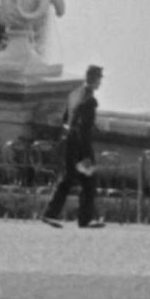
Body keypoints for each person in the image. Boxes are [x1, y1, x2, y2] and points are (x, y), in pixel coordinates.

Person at [42, 65, 104, 229]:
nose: (101, 82)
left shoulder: (74, 94)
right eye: (100, 78)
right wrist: (87, 155)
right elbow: (83, 128)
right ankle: (84, 219)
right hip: (80, 146)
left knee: (68, 180)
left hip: (69, 143)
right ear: (95, 79)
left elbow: (66, 119)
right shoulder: (90, 100)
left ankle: (50, 213)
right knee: (89, 182)